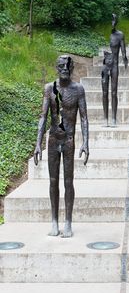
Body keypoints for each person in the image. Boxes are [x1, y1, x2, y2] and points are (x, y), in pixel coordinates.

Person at [34, 55, 89, 238]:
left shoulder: (78, 89)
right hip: (53, 140)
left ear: (71, 67)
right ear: (57, 68)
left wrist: (86, 142)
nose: (64, 68)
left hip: (69, 141)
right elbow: (43, 116)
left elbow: (84, 118)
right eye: (61, 65)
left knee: (68, 182)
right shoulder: (50, 88)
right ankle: (54, 221)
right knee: (53, 181)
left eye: (67, 65)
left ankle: (68, 222)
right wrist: (37, 143)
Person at [106, 13, 128, 126]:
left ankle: (114, 118)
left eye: (114, 21)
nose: (112, 23)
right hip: (106, 66)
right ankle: (106, 119)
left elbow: (123, 50)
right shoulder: (107, 34)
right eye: (111, 21)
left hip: (114, 65)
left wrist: (125, 58)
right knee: (105, 93)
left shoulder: (120, 35)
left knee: (113, 92)